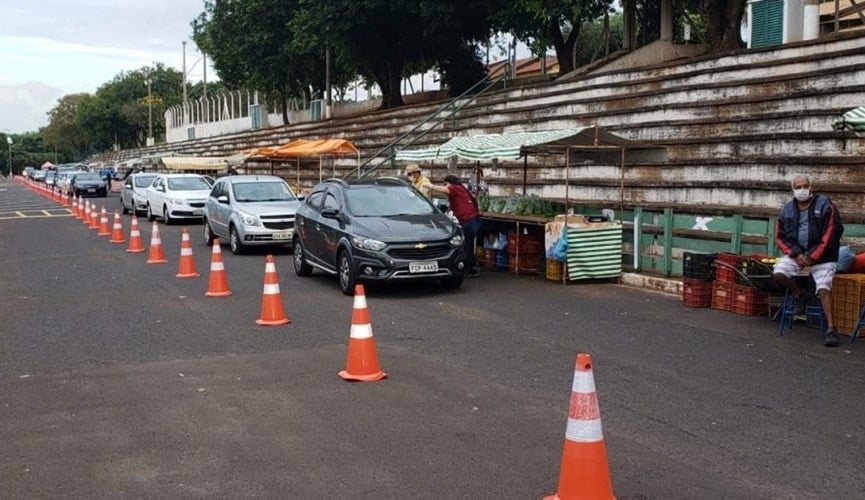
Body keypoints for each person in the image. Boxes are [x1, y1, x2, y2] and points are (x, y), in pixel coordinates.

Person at [772, 174, 844, 347]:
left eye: (805, 186)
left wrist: (812, 256)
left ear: (811, 187)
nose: (802, 189)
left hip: (823, 255)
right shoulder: (787, 209)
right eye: (798, 187)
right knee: (779, 273)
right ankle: (800, 295)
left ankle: (831, 329)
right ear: (793, 189)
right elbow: (780, 237)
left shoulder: (825, 204)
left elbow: (832, 232)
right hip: (798, 254)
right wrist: (796, 254)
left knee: (824, 287)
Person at [429, 175, 482, 278]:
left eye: (445, 184)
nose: (445, 186)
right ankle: (471, 268)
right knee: (468, 244)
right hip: (472, 219)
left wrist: (430, 186)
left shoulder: (454, 187)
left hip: (469, 220)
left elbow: (445, 190)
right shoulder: (460, 189)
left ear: (449, 183)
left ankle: (469, 269)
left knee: (466, 245)